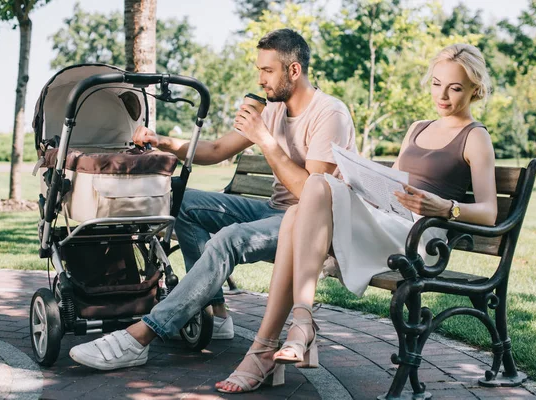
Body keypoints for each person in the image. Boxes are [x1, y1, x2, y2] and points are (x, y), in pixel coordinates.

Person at [215, 43, 497, 394]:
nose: (442, 95)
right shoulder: (418, 128)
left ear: (475, 89)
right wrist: (361, 182)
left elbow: (490, 211)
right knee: (298, 211)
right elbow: (392, 184)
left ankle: (273, 344)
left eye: (454, 88)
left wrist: (446, 208)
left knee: (313, 189)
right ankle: (293, 327)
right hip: (385, 221)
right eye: (437, 84)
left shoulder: (475, 137)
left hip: (418, 238)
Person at [68, 28, 356, 370]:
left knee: (229, 239)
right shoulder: (274, 110)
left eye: (268, 70)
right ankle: (216, 314)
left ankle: (141, 336)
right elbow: (216, 150)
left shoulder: (329, 114)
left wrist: (264, 140)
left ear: (293, 71)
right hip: (274, 211)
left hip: (312, 225)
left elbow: (311, 195)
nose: (261, 79)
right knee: (180, 200)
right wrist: (162, 141)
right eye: (259, 70)